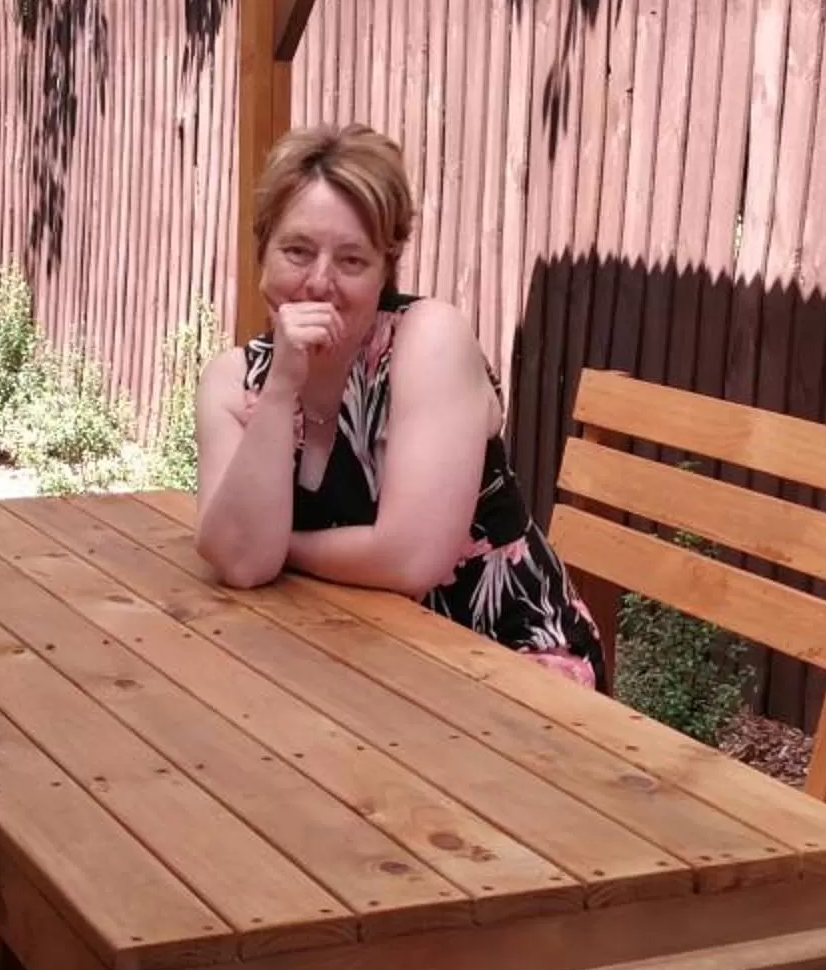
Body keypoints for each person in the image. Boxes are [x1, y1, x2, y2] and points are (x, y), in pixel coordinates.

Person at [193, 124, 605, 685]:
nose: (320, 282)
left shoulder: (427, 340)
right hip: (355, 657)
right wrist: (281, 390)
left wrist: (277, 544)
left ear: (386, 270)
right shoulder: (232, 379)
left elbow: (411, 559)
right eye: (297, 251)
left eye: (352, 261)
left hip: (507, 664)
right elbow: (241, 565)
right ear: (261, 250)